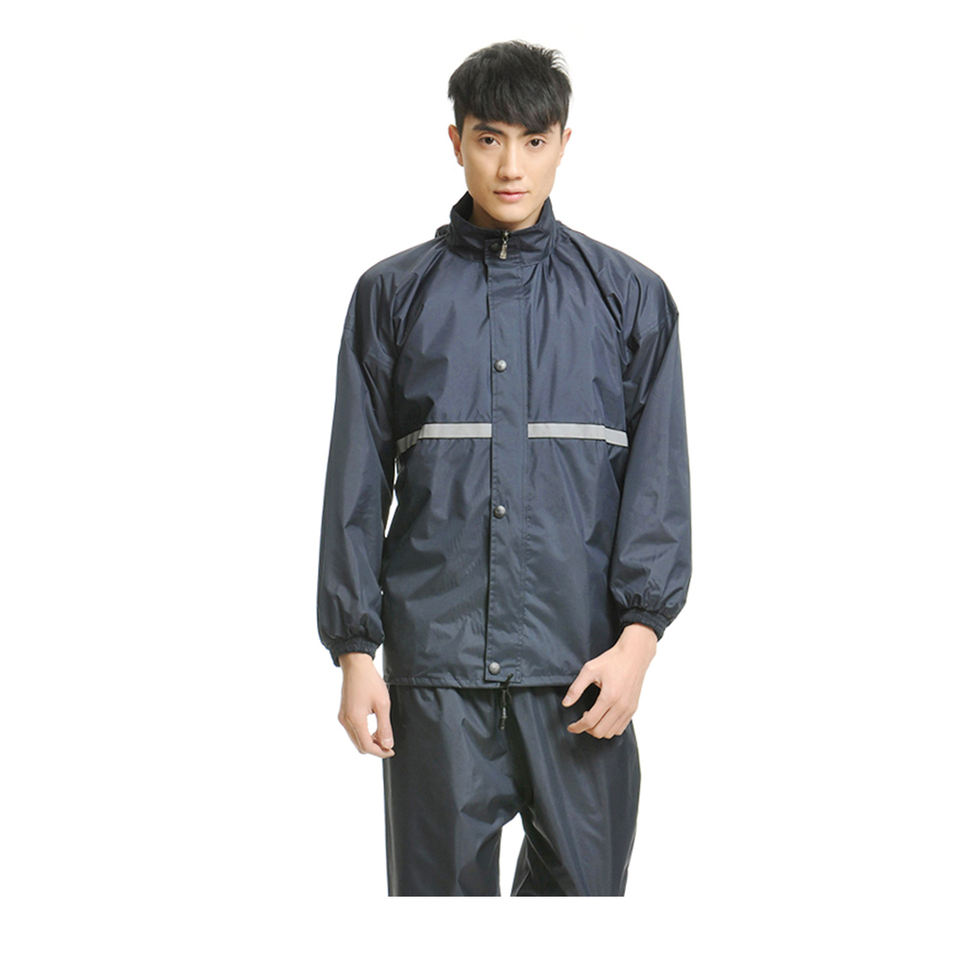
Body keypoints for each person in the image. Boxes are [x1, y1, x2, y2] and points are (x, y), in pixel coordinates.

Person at [316, 39, 692, 896]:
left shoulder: (630, 297)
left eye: (533, 141)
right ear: (456, 142)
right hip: (435, 675)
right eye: (489, 139)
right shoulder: (391, 295)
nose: (511, 166)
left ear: (564, 142)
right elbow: (354, 486)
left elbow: (659, 485)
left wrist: (639, 641)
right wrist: (354, 651)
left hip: (581, 670)